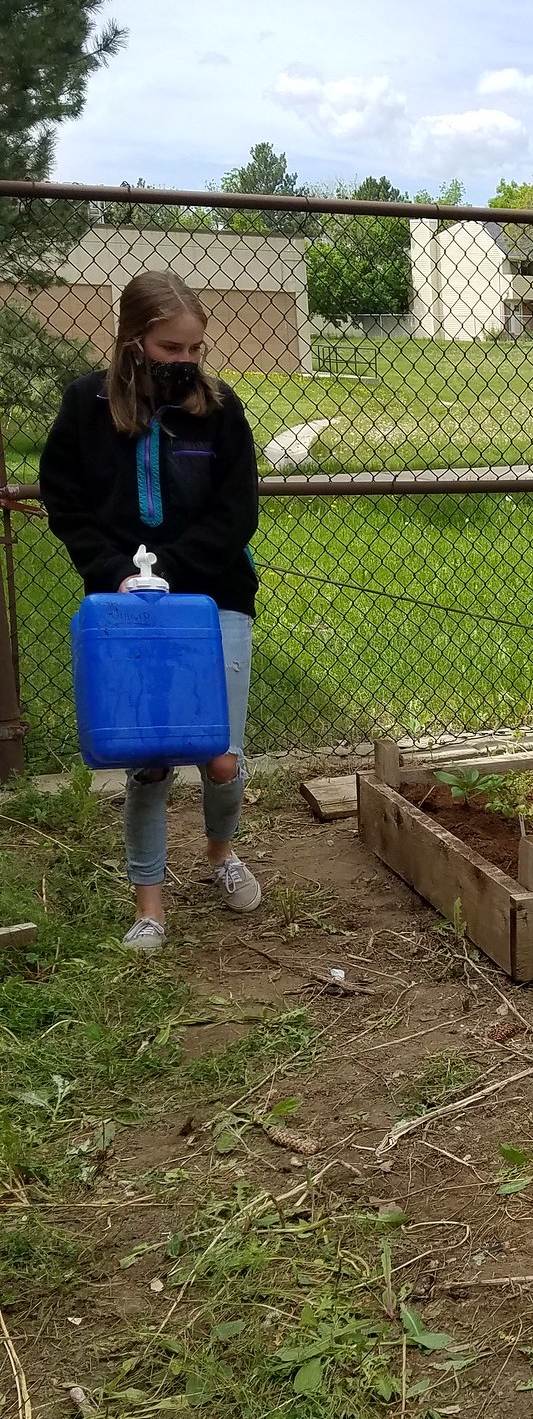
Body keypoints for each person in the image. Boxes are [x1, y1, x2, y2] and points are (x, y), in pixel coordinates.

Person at [40, 271, 262, 952]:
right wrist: (117, 575)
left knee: (219, 757)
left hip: (213, 596)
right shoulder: (86, 405)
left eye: (194, 348)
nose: (186, 362)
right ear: (133, 342)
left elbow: (237, 511)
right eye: (171, 348)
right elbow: (66, 501)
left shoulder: (220, 409)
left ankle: (222, 856)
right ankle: (150, 908)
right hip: (121, 609)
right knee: (149, 759)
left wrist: (170, 573)